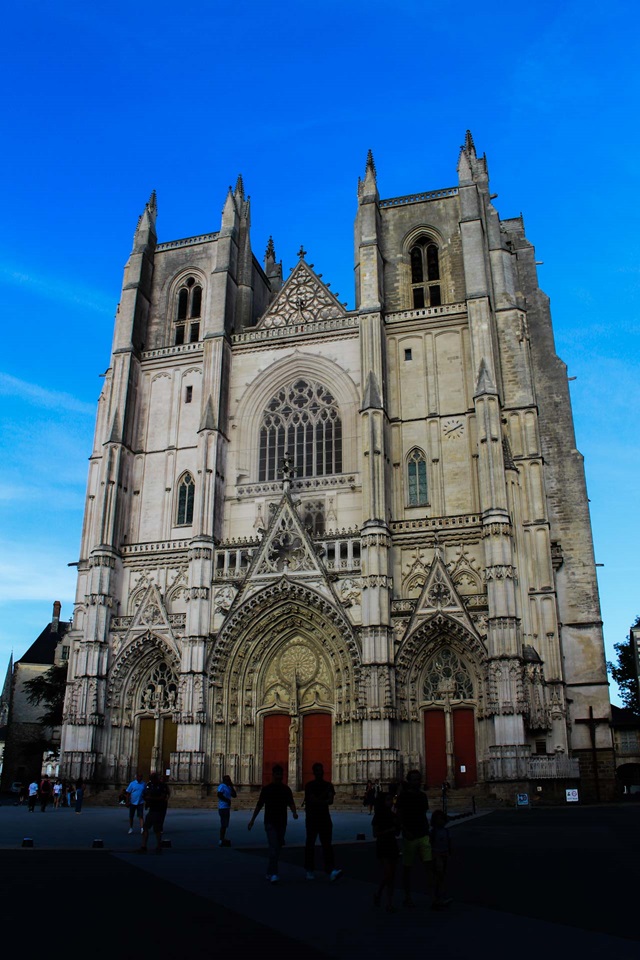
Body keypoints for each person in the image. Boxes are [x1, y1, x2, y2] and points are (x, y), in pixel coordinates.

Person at [248, 764, 298, 883]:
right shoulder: (267, 789)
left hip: (282, 822)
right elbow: (259, 805)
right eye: (277, 774)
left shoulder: (286, 789)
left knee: (278, 846)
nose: (279, 777)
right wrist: (252, 820)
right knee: (273, 847)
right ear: (273, 775)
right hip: (270, 821)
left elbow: (291, 802)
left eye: (280, 774)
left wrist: (294, 813)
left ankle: (270, 871)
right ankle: (274, 873)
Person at [396, 769, 431, 907]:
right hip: (409, 836)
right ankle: (407, 897)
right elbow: (398, 815)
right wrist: (404, 830)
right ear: (409, 781)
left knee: (430, 866)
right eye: (414, 779)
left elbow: (423, 813)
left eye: (418, 779)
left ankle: (435, 897)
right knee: (407, 869)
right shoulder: (403, 797)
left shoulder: (423, 796)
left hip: (423, 835)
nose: (417, 782)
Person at [303, 762, 342, 881]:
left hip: (324, 818)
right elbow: (316, 800)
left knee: (327, 845)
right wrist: (323, 801)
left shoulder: (328, 785)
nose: (320, 772)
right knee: (310, 844)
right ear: (314, 772)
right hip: (312, 818)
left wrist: (318, 801)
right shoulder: (310, 786)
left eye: (321, 770)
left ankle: (331, 870)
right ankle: (309, 869)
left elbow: (330, 801)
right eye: (318, 770)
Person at [372, 786, 400, 912]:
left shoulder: (394, 815)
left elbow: (397, 833)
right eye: (389, 799)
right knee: (388, 873)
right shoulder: (378, 816)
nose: (391, 801)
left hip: (392, 845)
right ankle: (379, 894)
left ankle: (388, 902)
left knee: (392, 875)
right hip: (383, 845)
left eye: (392, 799)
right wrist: (390, 830)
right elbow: (375, 834)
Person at [139, 772, 170, 854]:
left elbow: (163, 797)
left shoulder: (162, 786)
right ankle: (144, 846)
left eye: (153, 778)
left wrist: (151, 798)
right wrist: (146, 799)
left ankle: (159, 846)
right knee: (146, 827)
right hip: (152, 809)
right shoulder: (149, 785)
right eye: (151, 778)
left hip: (159, 809)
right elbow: (145, 794)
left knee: (157, 829)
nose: (151, 780)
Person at [429, 809, 453, 909]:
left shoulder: (446, 831)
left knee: (442, 875)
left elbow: (449, 842)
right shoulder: (433, 832)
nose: (441, 822)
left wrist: (449, 853)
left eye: (442, 819)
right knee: (439, 875)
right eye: (439, 819)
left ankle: (438, 897)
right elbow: (430, 844)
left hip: (444, 854)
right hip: (436, 854)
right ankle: (438, 898)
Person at [217, 774, 237, 847]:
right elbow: (219, 795)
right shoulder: (221, 786)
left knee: (225, 824)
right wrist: (227, 800)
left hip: (226, 808)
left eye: (229, 780)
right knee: (223, 824)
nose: (229, 781)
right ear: (224, 780)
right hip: (222, 807)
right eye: (228, 780)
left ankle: (222, 838)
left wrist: (231, 786)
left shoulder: (228, 787)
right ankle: (221, 839)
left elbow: (234, 795)